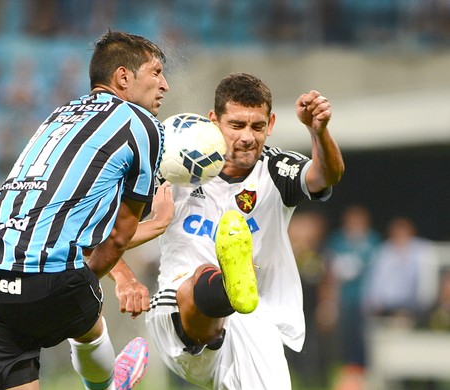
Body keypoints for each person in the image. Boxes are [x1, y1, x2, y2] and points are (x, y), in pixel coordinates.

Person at [0, 30, 169, 390]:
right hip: (44, 280)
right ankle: (107, 386)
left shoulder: (59, 115)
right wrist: (158, 222)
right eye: (156, 72)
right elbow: (116, 236)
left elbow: (56, 215)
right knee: (89, 325)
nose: (164, 85)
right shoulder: (142, 125)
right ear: (123, 77)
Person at [132, 72, 344, 388]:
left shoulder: (276, 169)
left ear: (270, 124)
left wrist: (319, 132)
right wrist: (130, 270)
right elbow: (113, 230)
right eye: (237, 125)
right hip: (179, 310)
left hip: (255, 321)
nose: (247, 136)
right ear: (213, 121)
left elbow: (326, 175)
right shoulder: (176, 166)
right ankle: (222, 286)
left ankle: (231, 290)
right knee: (200, 280)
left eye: (257, 126)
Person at [322, 205, 381, 390]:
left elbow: (379, 273)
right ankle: (342, 375)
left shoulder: (373, 241)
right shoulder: (337, 241)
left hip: (365, 300)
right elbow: (328, 272)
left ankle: (363, 375)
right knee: (340, 338)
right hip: (341, 300)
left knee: (363, 338)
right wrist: (328, 303)